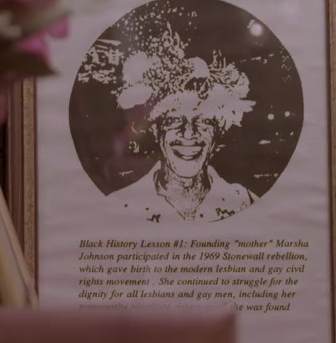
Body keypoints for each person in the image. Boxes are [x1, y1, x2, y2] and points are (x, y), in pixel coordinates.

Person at [108, 28, 257, 223]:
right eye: (174, 120)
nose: (188, 134)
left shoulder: (244, 202)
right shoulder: (123, 206)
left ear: (216, 132)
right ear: (156, 130)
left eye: (203, 121)